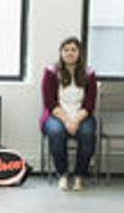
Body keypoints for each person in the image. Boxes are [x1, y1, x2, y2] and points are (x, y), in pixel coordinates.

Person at [40, 36, 98, 191]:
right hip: (57, 114)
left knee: (87, 134)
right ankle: (63, 175)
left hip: (81, 115)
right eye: (66, 50)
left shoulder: (89, 73)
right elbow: (50, 102)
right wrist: (67, 121)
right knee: (56, 132)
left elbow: (90, 103)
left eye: (73, 50)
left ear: (80, 53)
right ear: (61, 53)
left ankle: (79, 175)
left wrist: (76, 121)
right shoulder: (51, 72)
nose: (70, 53)